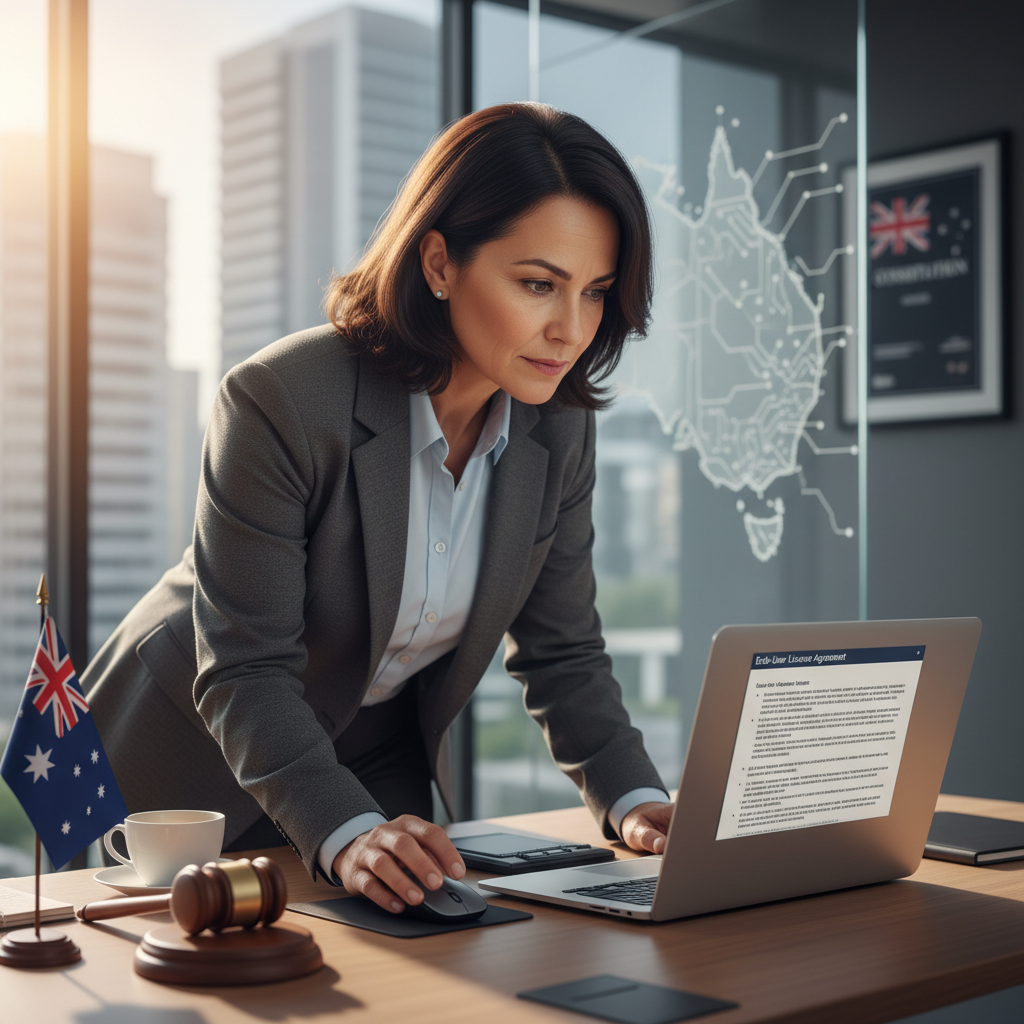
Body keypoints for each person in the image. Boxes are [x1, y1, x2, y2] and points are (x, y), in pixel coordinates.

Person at [83, 102, 672, 916]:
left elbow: (562, 650)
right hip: (186, 758)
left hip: (369, 756)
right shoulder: (281, 399)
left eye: (596, 293)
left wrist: (637, 800)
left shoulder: (560, 431)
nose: (569, 329)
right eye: (538, 283)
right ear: (439, 263)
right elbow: (248, 669)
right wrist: (347, 828)